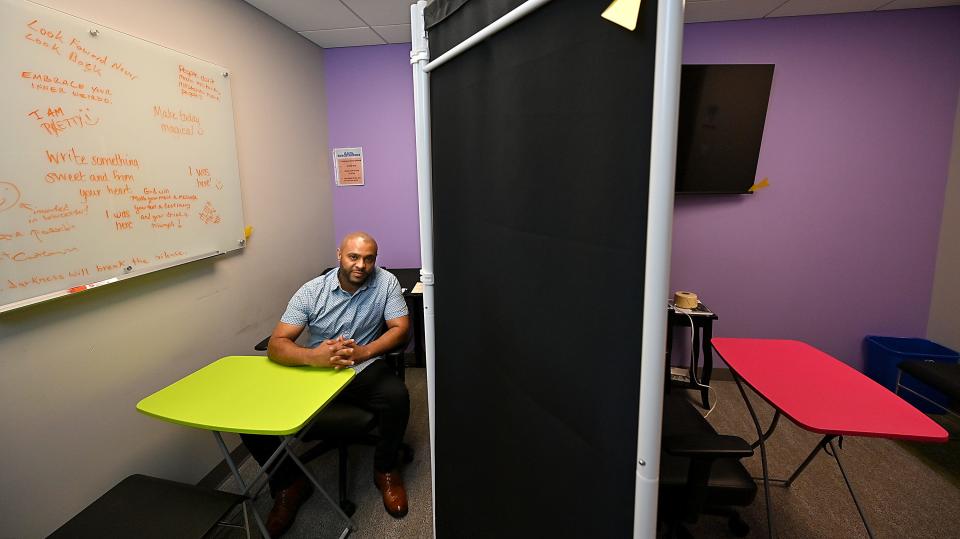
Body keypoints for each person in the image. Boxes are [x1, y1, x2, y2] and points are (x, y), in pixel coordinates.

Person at [241, 231, 411, 537]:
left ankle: (386, 469)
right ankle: (288, 483)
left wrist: (365, 351)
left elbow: (400, 328)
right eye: (353, 257)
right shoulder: (311, 291)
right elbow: (277, 344)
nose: (361, 265)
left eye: (368, 258)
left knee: (396, 396)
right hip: (315, 366)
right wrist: (313, 357)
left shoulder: (385, 283)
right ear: (339, 255)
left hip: (361, 365)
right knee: (250, 415)